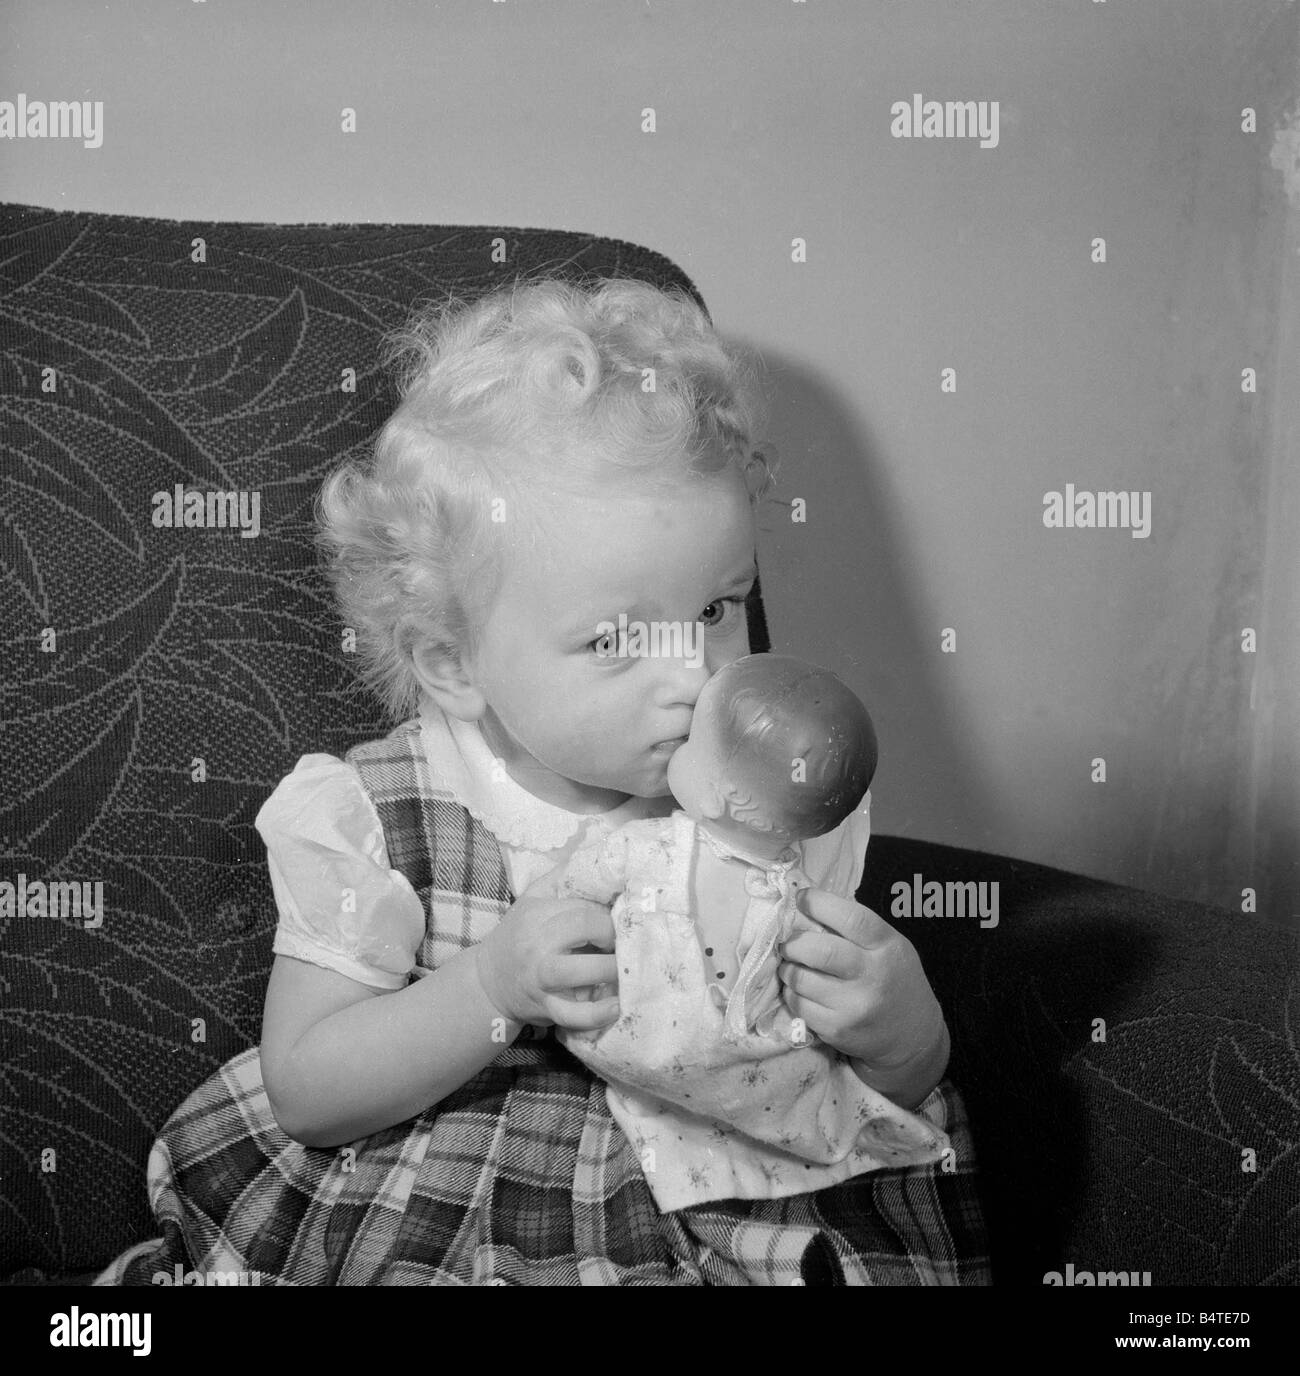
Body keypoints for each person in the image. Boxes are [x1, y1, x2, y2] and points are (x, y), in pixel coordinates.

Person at [95, 276, 990, 1286]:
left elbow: (843, 1091)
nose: (693, 673)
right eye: (616, 637)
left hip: (715, 1193)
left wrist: (901, 1027)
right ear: (455, 664)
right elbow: (308, 1086)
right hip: (439, 1188)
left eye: (717, 608)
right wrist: (488, 984)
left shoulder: (771, 811)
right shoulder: (380, 811)